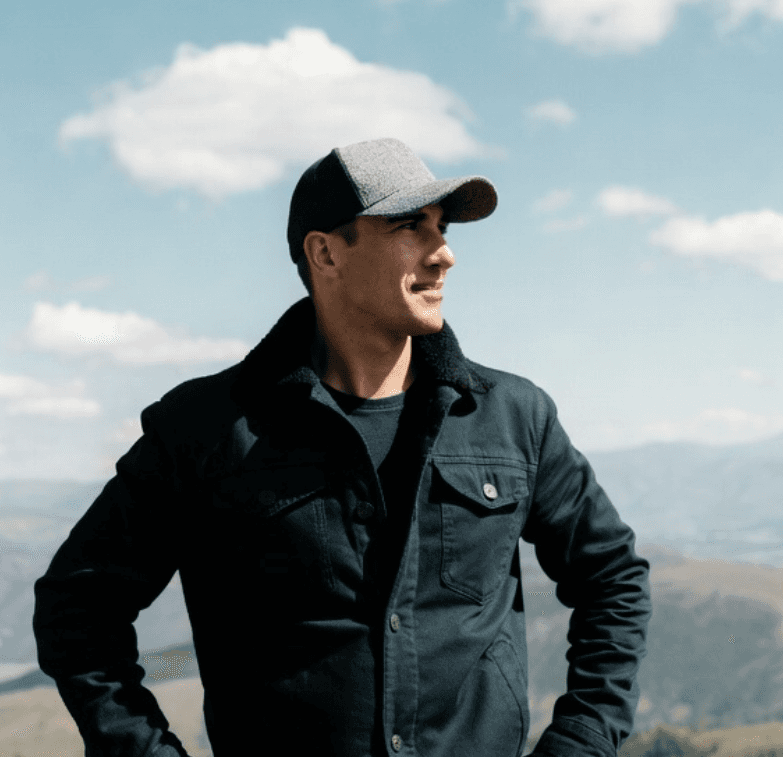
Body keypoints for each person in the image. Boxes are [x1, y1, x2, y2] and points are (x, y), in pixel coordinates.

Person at [33, 137, 651, 757]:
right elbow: (78, 609)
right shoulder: (203, 431)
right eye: (410, 226)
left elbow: (614, 578)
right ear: (325, 253)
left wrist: (582, 739)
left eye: (441, 228)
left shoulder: (514, 417)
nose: (444, 254)